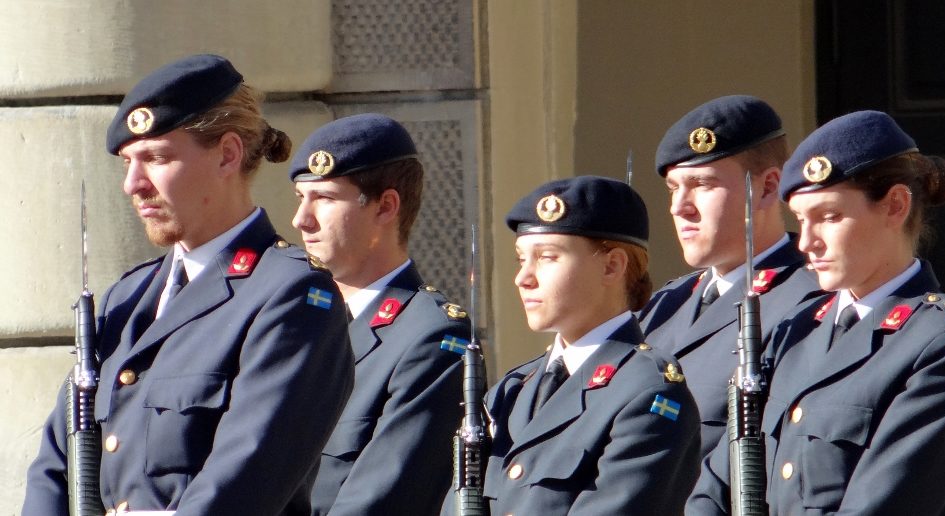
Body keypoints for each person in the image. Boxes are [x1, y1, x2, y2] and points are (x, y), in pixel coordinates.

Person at [22, 54, 354, 516]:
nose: (133, 184)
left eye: (156, 158)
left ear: (228, 154)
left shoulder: (291, 294)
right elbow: (55, 468)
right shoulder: (127, 299)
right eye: (127, 163)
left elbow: (243, 484)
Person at [687, 110, 945, 514]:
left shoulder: (938, 343)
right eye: (800, 220)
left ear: (895, 205)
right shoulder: (796, 328)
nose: (806, 242)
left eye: (829, 217)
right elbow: (718, 482)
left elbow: (887, 501)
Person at [457, 175, 701, 515]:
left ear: (612, 266)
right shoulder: (511, 392)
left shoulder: (647, 393)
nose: (523, 278)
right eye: (520, 259)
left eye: (547, 257)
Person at [289, 114, 472, 515]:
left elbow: (382, 498)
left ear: (386, 207)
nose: (301, 219)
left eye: (325, 198)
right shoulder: (293, 320)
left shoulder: (429, 335)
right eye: (301, 198)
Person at [638, 95, 821, 460]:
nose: (679, 207)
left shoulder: (813, 298)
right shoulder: (664, 306)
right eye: (673, 188)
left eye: (701, 184)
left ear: (768, 187)